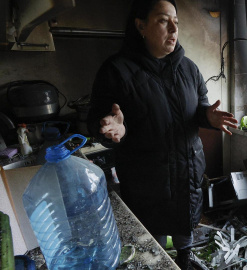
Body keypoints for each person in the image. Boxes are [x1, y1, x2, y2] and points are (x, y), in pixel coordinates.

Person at [86, 1, 238, 269]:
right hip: (147, 180)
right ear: (141, 26)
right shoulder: (117, 71)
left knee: (185, 225)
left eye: (176, 22)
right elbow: (98, 122)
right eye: (162, 20)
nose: (173, 28)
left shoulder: (189, 69)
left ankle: (185, 256)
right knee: (151, 244)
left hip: (188, 171)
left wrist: (208, 117)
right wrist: (113, 130)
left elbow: (197, 109)